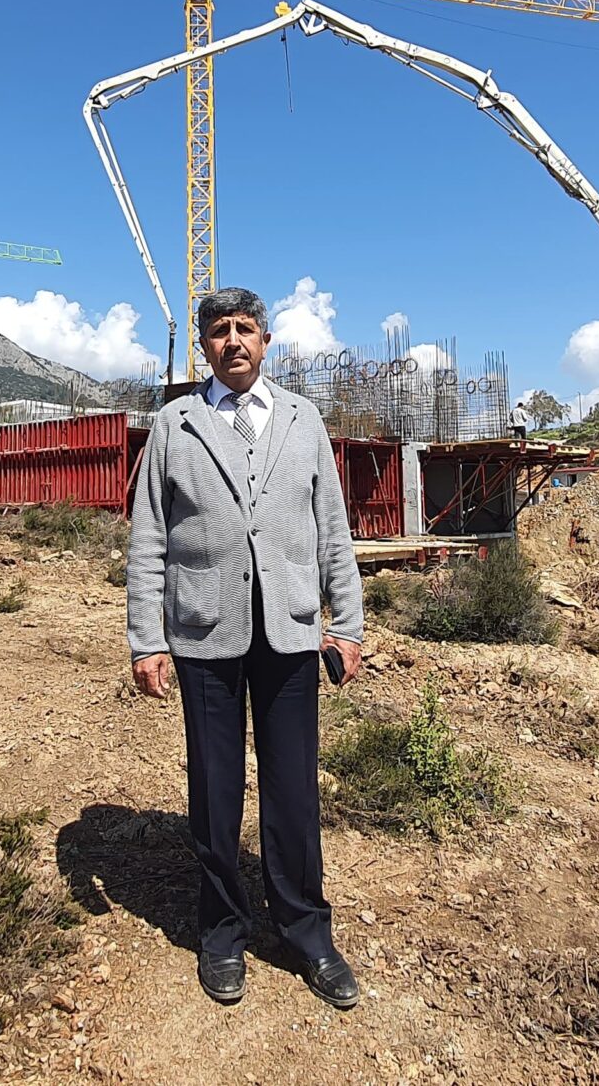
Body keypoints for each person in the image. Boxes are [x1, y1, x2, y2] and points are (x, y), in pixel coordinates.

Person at [127, 287, 366, 1009]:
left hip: (291, 630)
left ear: (267, 341)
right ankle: (223, 932)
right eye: (220, 331)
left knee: (292, 793)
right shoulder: (177, 425)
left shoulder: (303, 420)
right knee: (215, 790)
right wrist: (146, 639)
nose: (234, 341)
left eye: (246, 329)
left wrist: (347, 624)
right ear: (204, 346)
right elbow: (147, 541)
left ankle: (307, 933)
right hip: (205, 632)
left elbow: (333, 528)